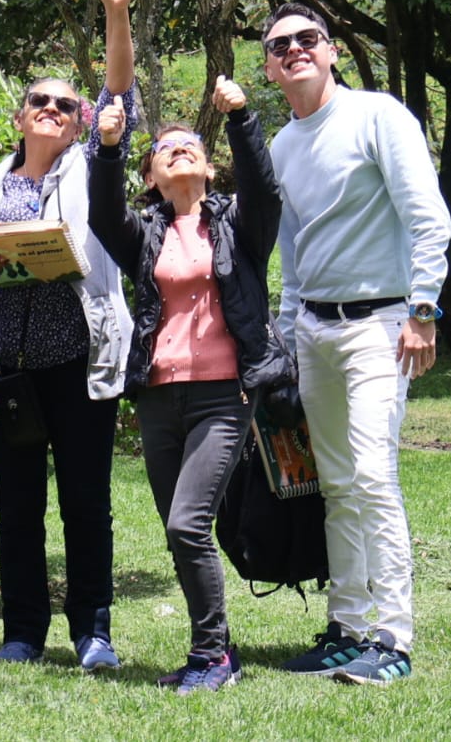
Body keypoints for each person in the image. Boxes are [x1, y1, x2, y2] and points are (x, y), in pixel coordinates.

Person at [263, 2, 451, 686]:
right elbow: (292, 256)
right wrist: (287, 339)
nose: (295, 50)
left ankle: (392, 640)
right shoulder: (281, 148)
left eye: (307, 38)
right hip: (313, 330)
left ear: (332, 49)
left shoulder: (378, 117)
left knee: (373, 476)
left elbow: (427, 217)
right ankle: (345, 630)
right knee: (337, 484)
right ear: (268, 67)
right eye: (279, 45)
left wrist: (422, 310)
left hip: (380, 325)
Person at [87, 61, 286, 694]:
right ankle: (216, 648)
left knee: (186, 523)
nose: (178, 150)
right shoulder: (145, 234)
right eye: (165, 149)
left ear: (209, 167)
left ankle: (212, 656)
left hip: (224, 395)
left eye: (190, 145)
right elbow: (102, 214)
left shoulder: (238, 226)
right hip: (158, 397)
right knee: (180, 531)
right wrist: (109, 149)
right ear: (151, 177)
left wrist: (241, 118)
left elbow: (266, 192)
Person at [0, 0, 137, 671]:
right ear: (20, 116)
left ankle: (92, 631)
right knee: (18, 506)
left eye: (66, 106)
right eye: (40, 101)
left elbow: (118, 92)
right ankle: (22, 632)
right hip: (10, 365)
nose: (53, 111)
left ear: (76, 123)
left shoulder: (89, 168)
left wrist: (115, 12)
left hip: (79, 361)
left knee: (85, 503)